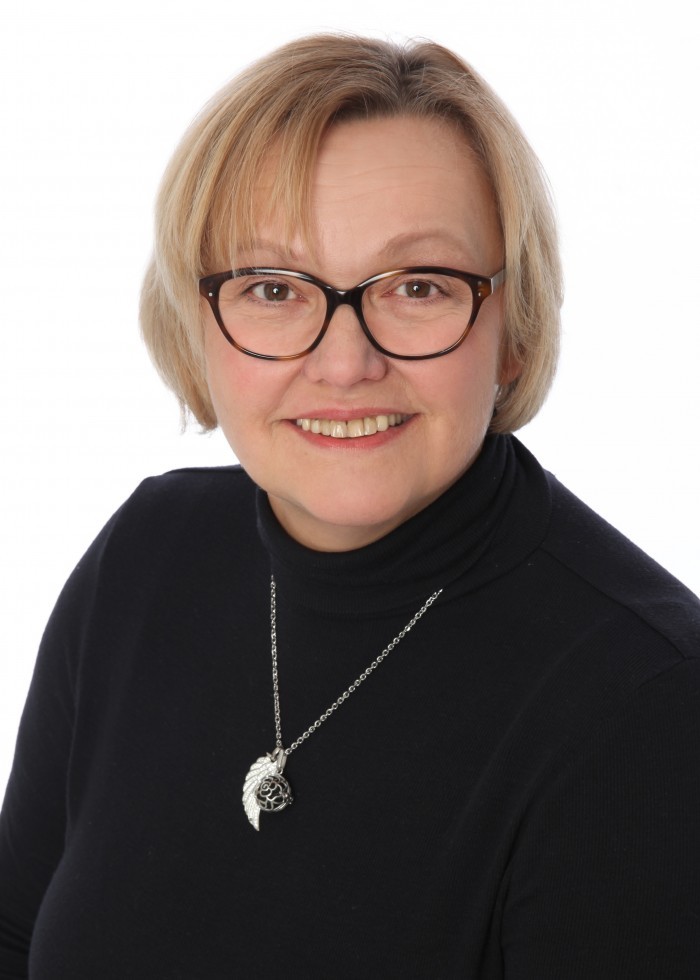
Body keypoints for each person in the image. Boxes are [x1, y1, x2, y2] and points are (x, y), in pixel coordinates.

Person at [1, 33, 698, 979]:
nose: (344, 363)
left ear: (515, 328)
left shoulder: (650, 710)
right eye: (273, 288)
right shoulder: (146, 556)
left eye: (418, 286)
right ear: (198, 325)